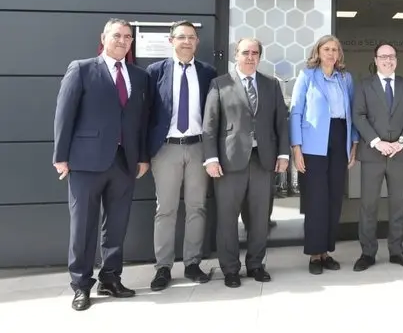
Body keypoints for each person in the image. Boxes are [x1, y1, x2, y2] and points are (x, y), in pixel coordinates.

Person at [53, 18, 151, 311]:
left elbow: (141, 121)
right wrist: (61, 156)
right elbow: (64, 114)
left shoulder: (139, 76)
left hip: (124, 162)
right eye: (117, 35)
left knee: (116, 226)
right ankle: (81, 285)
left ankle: (111, 278)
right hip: (86, 162)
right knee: (83, 226)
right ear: (104, 38)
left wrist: (143, 156)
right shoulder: (81, 69)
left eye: (127, 37)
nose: (122, 40)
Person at [202, 38, 290, 288]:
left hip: (263, 162)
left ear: (260, 57)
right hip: (229, 162)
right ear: (235, 55)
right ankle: (230, 269)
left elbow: (281, 123)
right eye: (245, 52)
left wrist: (283, 155)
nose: (250, 57)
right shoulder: (220, 84)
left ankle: (256, 265)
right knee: (227, 219)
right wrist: (211, 158)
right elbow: (210, 126)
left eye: (254, 53)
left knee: (260, 217)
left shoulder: (271, 84)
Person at [146, 21, 217, 291]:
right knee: (165, 209)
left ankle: (192, 263)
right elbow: (146, 114)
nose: (186, 42)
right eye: (181, 37)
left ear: (197, 42)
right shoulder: (155, 72)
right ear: (171, 40)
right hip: (166, 149)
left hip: (199, 148)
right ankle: (163, 267)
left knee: (197, 207)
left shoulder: (208, 72)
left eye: (191, 37)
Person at [289, 35, 359, 275]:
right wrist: (296, 147)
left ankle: (327, 251)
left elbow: (353, 112)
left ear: (339, 54)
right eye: (326, 49)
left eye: (335, 50)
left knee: (334, 199)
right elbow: (296, 111)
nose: (331, 53)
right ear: (317, 52)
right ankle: (314, 254)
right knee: (316, 200)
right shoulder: (307, 76)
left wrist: (354, 143)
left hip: (340, 138)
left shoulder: (345, 78)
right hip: (313, 144)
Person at [352, 43, 403, 271]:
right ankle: (367, 252)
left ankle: (397, 250)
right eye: (383, 57)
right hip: (373, 153)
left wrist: (402, 141)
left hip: (399, 153)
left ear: (396, 60)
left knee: (399, 204)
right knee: (368, 205)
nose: (388, 60)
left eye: (391, 56)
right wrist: (377, 142)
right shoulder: (364, 86)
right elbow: (359, 116)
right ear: (375, 59)